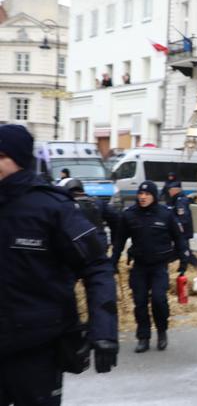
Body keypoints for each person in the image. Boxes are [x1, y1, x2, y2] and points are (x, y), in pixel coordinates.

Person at [0, 124, 118, 405]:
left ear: (17, 159)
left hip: (37, 350)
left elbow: (97, 267)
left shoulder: (52, 208)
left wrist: (104, 331)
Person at [111, 181, 190, 353]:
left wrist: (184, 259)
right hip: (139, 266)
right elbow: (119, 241)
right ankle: (143, 337)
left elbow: (179, 238)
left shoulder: (165, 215)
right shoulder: (129, 215)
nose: (142, 197)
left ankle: (162, 331)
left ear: (154, 196)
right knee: (140, 302)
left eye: (147, 194)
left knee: (158, 300)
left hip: (159, 266)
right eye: (140, 194)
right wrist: (113, 261)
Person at [61, 177, 119, 253]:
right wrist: (113, 241)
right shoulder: (97, 201)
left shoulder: (63, 204)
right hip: (99, 245)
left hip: (75, 249)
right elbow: (116, 218)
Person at [167, 181, 197, 267]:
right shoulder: (176, 199)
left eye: (170, 190)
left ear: (176, 190)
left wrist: (177, 227)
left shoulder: (180, 201)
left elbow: (182, 217)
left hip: (183, 231)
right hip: (181, 231)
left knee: (183, 250)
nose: (169, 192)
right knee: (181, 250)